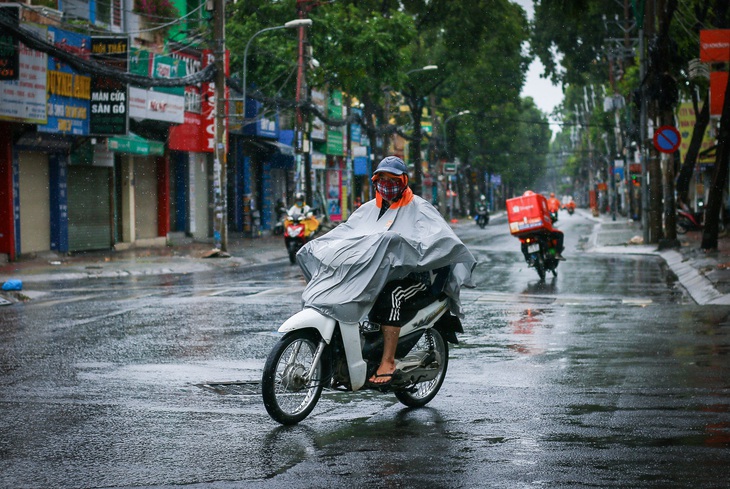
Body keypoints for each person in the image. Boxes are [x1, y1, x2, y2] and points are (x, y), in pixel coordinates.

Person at [296, 156, 476, 387]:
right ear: (375, 181)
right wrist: (321, 246)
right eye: (382, 179)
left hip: (418, 278)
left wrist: (404, 250)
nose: (386, 184)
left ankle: (388, 361)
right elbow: (348, 233)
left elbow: (441, 242)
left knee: (392, 297)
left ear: (403, 181)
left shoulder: (420, 208)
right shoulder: (368, 210)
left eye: (392, 179)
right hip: (380, 275)